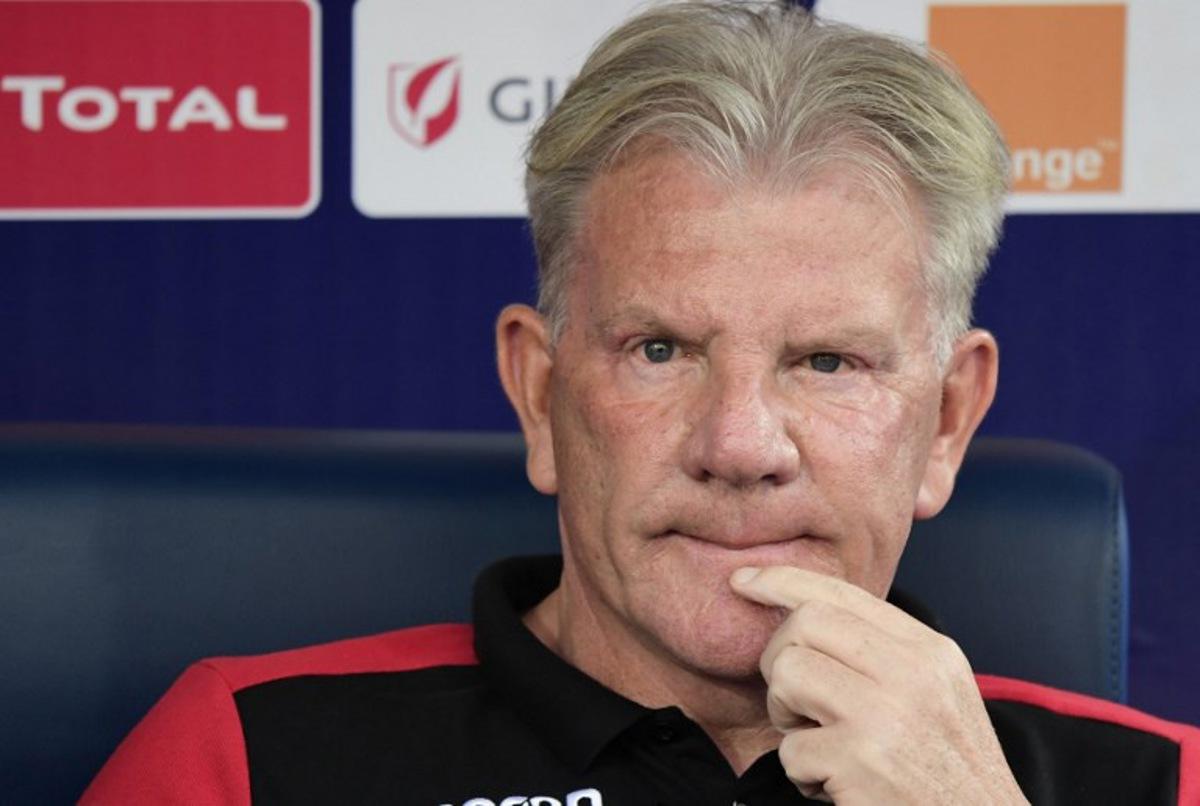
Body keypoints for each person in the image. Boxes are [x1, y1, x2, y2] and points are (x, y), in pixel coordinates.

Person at [83, 2, 1198, 804]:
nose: (741, 444)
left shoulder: (1158, 780)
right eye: (659, 348)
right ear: (539, 392)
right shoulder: (244, 756)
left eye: (828, 362)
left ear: (947, 421)